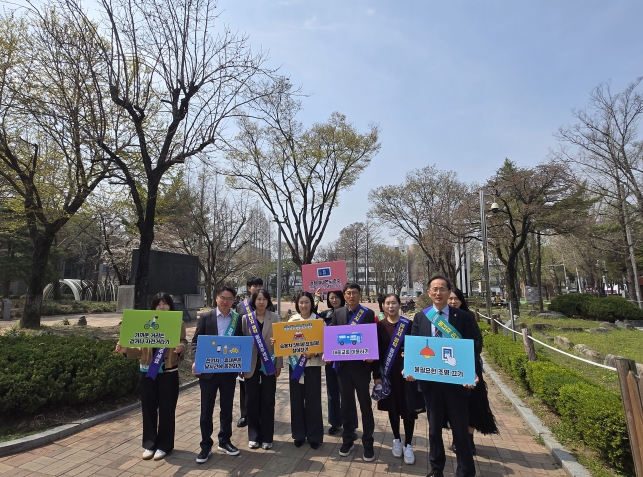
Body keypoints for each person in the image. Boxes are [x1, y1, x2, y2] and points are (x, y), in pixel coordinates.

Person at [408, 275, 482, 477]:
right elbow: (415, 346)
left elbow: (474, 347)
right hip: (431, 383)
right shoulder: (421, 317)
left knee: (460, 429)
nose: (438, 292)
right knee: (434, 430)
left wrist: (472, 373)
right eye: (435, 289)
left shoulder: (463, 317)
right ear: (429, 293)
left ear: (449, 292)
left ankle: (465, 470)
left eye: (442, 289)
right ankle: (436, 468)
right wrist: (410, 368)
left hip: (456, 382)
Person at [115, 292, 188, 461]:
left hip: (168, 372)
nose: (162, 307)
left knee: (167, 409)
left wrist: (181, 348)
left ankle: (164, 445)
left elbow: (184, 341)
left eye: (165, 304)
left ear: (170, 306)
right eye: (158, 304)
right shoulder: (146, 322)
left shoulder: (178, 322)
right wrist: (125, 350)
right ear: (153, 307)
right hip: (148, 371)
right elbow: (139, 346)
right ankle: (149, 444)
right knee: (148, 408)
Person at [328, 282, 381, 462]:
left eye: (355, 293)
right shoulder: (337, 313)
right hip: (343, 368)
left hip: (361, 368)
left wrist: (372, 356)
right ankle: (348, 439)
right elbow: (333, 337)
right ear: (344, 295)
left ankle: (368, 442)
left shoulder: (368, 313)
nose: (351, 296)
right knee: (346, 405)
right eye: (349, 293)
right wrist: (329, 353)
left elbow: (372, 339)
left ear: (360, 294)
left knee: (365, 405)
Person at [192, 287, 243, 463]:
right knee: (206, 410)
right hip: (208, 371)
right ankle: (205, 445)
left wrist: (241, 363)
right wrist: (195, 361)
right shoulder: (206, 317)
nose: (225, 301)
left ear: (233, 301)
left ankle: (224, 440)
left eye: (229, 298)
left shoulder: (237, 319)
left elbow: (240, 343)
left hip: (228, 371)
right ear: (216, 298)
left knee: (227, 408)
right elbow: (195, 342)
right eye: (222, 297)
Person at [448, 287, 498, 455]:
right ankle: (456, 438)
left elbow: (478, 343)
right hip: (448, 368)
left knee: (471, 404)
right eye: (450, 298)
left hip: (468, 366)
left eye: (456, 298)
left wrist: (464, 352)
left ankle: (468, 440)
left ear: (461, 300)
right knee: (453, 405)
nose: (453, 302)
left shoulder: (468, 317)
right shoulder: (440, 319)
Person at [376, 293, 418, 465]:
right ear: (383, 306)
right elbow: (376, 353)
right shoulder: (379, 326)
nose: (391, 306)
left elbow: (417, 348)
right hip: (388, 375)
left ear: (400, 305)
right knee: (392, 409)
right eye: (388, 303)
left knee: (408, 410)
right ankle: (397, 440)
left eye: (394, 303)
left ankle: (408, 444)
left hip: (406, 375)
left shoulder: (409, 325)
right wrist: (376, 376)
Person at [241, 288, 282, 450]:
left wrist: (278, 364)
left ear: (268, 301)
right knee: (251, 400)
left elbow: (280, 343)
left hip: (269, 364)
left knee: (268, 400)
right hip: (250, 365)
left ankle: (267, 437)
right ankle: (253, 436)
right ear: (254, 301)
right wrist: (241, 365)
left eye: (264, 299)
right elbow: (241, 343)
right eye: (258, 299)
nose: (261, 302)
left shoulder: (275, 317)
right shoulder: (246, 319)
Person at [316, 289, 358, 436]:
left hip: (346, 359)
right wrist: (316, 298)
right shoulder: (325, 314)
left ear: (342, 298)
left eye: (336, 297)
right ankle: (335, 422)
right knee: (332, 392)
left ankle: (351, 425)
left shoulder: (350, 313)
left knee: (347, 394)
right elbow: (311, 317)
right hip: (330, 359)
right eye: (331, 298)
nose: (334, 300)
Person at [286, 292, 325, 449]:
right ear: (297, 304)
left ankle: (314, 436)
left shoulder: (319, 321)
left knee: (313, 401)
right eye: (301, 302)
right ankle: (299, 434)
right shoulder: (291, 321)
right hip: (295, 366)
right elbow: (285, 342)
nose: (304, 305)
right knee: (296, 401)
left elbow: (325, 342)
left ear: (312, 303)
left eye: (307, 302)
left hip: (312, 366)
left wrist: (315, 353)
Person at [236, 277, 274, 428]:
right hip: (248, 354)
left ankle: (260, 414)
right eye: (254, 286)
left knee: (264, 390)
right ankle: (245, 414)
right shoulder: (240, 307)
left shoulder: (270, 308)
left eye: (260, 285)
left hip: (265, 355)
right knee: (245, 387)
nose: (257, 288)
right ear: (248, 288)